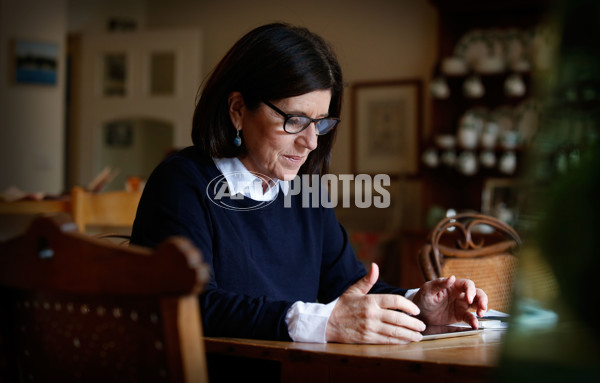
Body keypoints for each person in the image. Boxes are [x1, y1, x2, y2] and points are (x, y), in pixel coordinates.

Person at [131, 22, 487, 344]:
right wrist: (321, 322)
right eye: (296, 119)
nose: (311, 142)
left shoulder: (304, 192)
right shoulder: (182, 183)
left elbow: (348, 287)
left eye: (320, 123)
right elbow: (191, 303)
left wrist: (418, 305)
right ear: (238, 109)